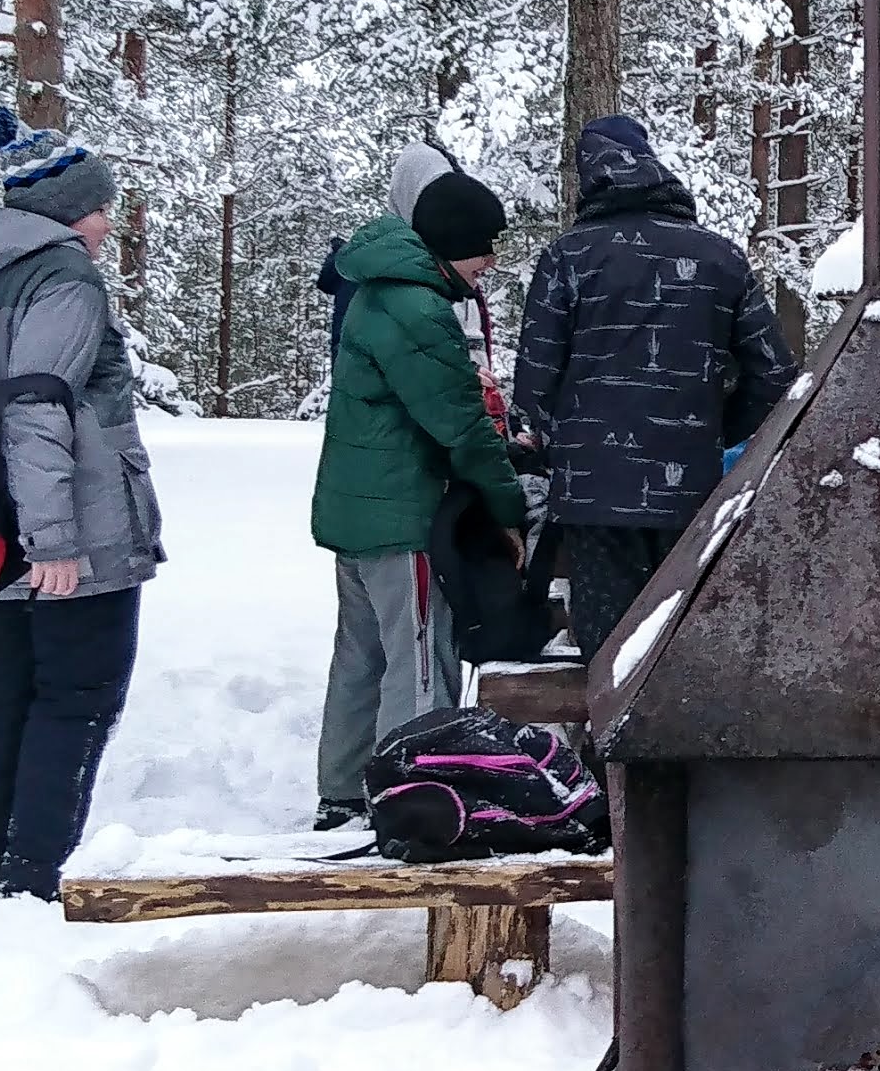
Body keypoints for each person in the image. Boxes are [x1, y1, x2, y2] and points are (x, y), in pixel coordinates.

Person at [0, 106, 165, 909]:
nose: (106, 223)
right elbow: (36, 408)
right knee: (75, 701)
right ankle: (29, 886)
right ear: (65, 211)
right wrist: (53, 540)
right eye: (99, 208)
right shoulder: (63, 279)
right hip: (70, 533)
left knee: (10, 695)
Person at [514, 112, 795, 651]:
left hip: (592, 494)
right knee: (684, 642)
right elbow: (776, 374)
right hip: (691, 488)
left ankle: (608, 706)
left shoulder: (567, 258)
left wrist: (562, 448)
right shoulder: (721, 257)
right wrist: (713, 430)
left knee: (610, 651)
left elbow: (534, 387)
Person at [310, 165, 526, 828]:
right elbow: (461, 427)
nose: (490, 262)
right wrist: (508, 508)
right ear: (452, 241)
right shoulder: (418, 310)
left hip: (357, 512)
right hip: (403, 517)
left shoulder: (378, 290)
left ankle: (343, 790)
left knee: (362, 655)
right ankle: (413, 801)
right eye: (483, 246)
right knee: (420, 661)